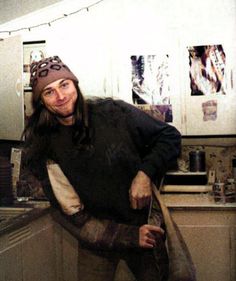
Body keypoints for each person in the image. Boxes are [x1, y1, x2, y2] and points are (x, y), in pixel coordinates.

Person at [22, 56, 181, 281]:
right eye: (49, 92)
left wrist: (145, 173)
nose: (60, 96)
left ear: (75, 84)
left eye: (64, 85)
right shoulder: (43, 143)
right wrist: (127, 236)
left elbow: (169, 136)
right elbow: (71, 214)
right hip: (96, 238)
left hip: (143, 227)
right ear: (41, 101)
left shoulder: (114, 113)